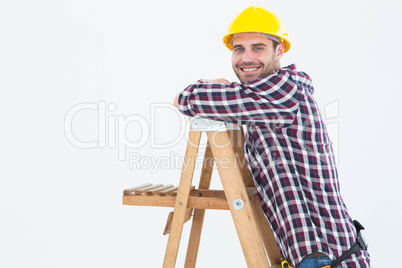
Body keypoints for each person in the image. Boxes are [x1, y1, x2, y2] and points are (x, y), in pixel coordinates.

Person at [173, 6, 370, 268]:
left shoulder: (281, 92)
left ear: (279, 51)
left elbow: (185, 100)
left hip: (326, 257)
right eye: (239, 49)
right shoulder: (260, 99)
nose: (246, 58)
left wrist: (213, 84)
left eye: (258, 48)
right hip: (314, 256)